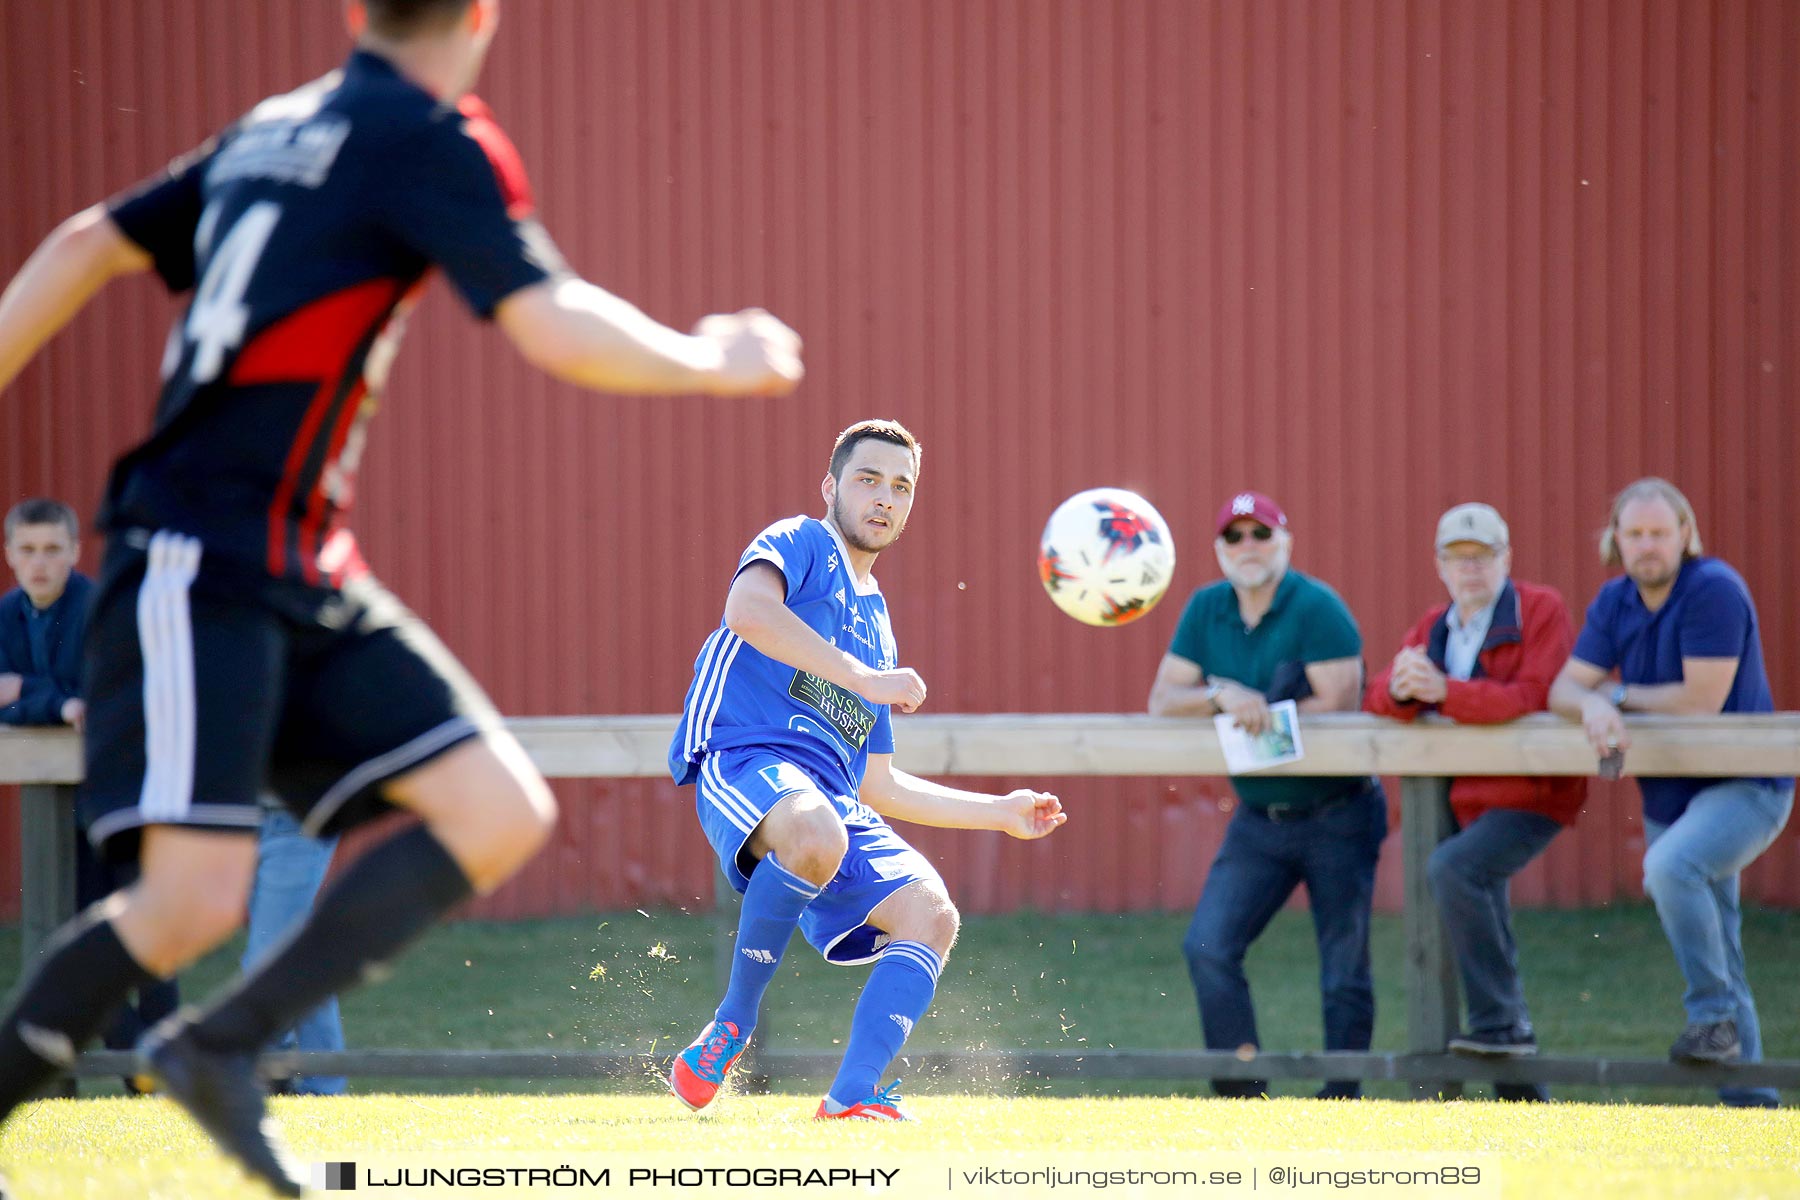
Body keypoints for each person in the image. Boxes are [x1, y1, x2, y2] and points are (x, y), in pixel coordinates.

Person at [0, 0, 802, 1191]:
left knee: (496, 807)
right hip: (199, 552)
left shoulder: (275, 127)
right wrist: (712, 360)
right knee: (189, 902)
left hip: (303, 568)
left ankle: (218, 1047)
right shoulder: (430, 136)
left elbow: (81, 242)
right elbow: (555, 323)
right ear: (484, 15)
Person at [665, 419, 1066, 1121]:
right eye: (868, 479)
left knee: (931, 912)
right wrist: (861, 676)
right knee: (818, 826)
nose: (885, 498)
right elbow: (747, 610)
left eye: (901, 487)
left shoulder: (878, 623)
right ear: (831, 487)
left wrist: (999, 812)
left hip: (829, 804)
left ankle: (854, 1095)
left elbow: (879, 786)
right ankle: (732, 1023)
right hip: (746, 756)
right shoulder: (801, 541)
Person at [1549, 478, 1791, 1109]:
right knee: (1726, 949)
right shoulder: (1614, 600)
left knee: (1669, 867)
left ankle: (1711, 1018)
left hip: (1748, 786)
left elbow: (1699, 699)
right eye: (1636, 534)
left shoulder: (1714, 589)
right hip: (1670, 797)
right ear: (1617, 541)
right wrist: (1592, 705)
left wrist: (1616, 696)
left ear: (1686, 535)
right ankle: (1754, 1113)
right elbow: (1562, 691)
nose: (1648, 545)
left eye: (1660, 532)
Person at [1148, 491, 1385, 1100]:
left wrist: (1267, 710)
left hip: (1340, 811)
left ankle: (1342, 1102)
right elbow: (1164, 699)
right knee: (1207, 946)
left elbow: (1340, 700)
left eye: (1261, 534)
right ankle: (1242, 1096)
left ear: (1286, 542)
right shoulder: (1206, 608)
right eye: (1235, 536)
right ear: (1218, 551)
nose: (1248, 547)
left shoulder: (1318, 606)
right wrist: (1222, 694)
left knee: (1343, 967)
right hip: (1259, 816)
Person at [1364, 503, 1584, 1102]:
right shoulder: (1434, 624)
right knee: (1479, 907)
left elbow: (1533, 695)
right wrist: (1404, 689)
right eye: (1458, 559)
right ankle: (1520, 1087)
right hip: (1462, 802)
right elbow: (1379, 695)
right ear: (1439, 566)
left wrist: (1444, 692)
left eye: (1483, 557)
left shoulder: (1541, 609)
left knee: (1454, 869)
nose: (1471, 571)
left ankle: (1498, 1026)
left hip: (1532, 792)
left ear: (1506, 560)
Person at [1, 499, 177, 1095]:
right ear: (9, 556)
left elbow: (102, 702)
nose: (39, 563)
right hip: (57, 809)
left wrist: (26, 694)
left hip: (130, 798)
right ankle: (99, 1077)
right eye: (27, 550)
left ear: (76, 552)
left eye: (53, 549)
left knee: (147, 940)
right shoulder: (7, 615)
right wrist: (50, 698)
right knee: (71, 941)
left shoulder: (101, 610)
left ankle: (157, 1081)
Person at [241, 800, 346, 1097]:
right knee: (300, 958)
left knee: (266, 961)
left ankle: (286, 1072)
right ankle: (319, 1086)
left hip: (296, 818)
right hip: (241, 817)